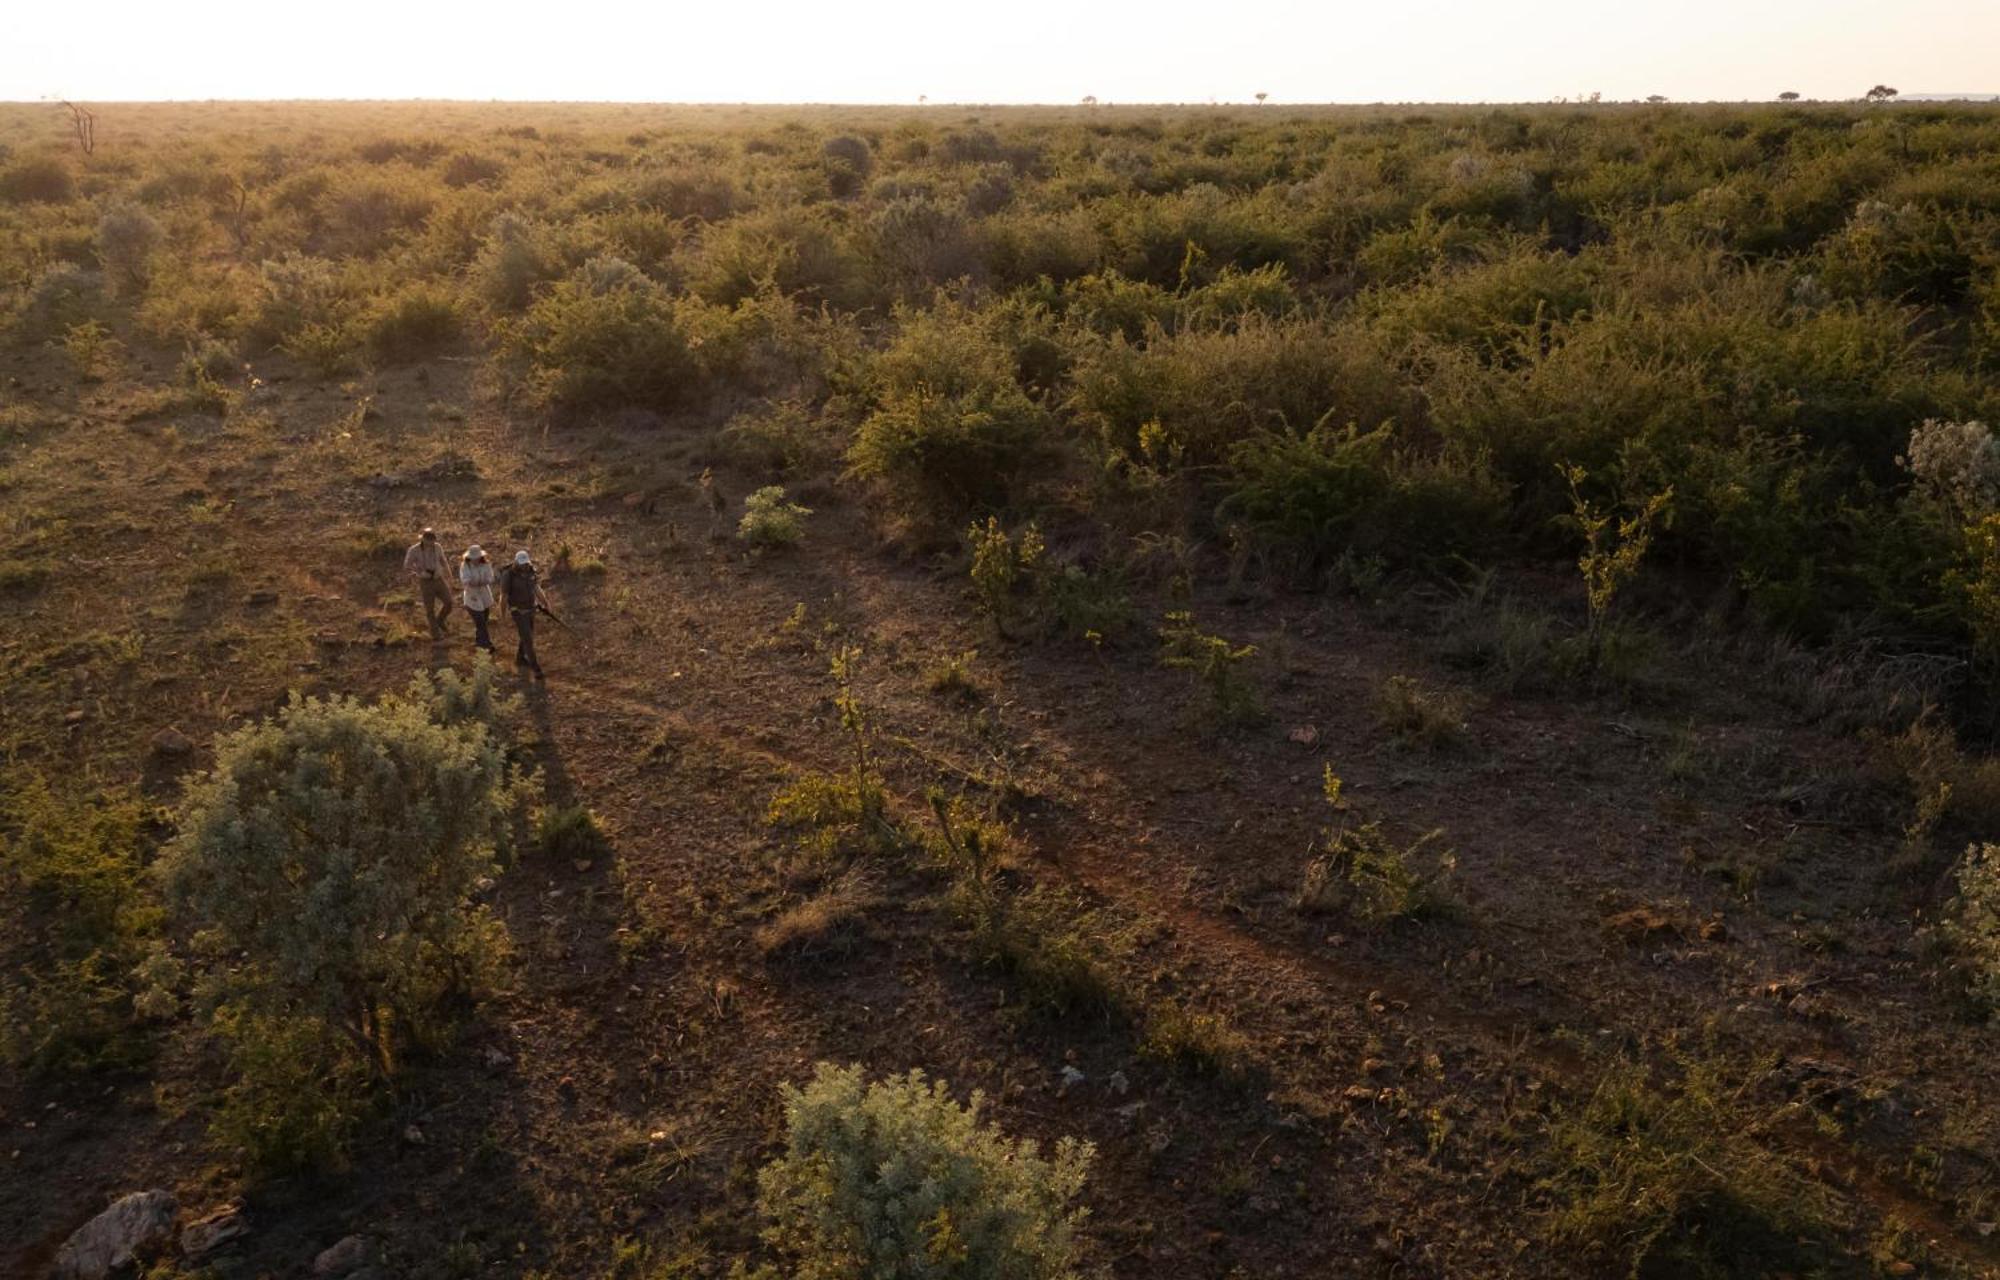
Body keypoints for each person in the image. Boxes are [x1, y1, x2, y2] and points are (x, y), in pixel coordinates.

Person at [497, 549, 549, 679]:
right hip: (518, 611)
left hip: (531, 609)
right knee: (528, 640)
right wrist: (502, 614)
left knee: (527, 635)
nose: (524, 566)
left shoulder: (531, 571)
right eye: (522, 564)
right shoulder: (508, 575)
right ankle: (536, 669)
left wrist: (545, 603)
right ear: (516, 562)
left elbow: (536, 588)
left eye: (526, 563)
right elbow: (503, 596)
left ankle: (520, 658)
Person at [404, 527, 455, 641]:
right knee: (429, 609)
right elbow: (407, 565)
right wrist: (419, 573)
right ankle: (436, 634)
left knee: (449, 602)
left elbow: (443, 561)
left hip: (438, 578)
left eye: (433, 541)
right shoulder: (414, 550)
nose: (431, 543)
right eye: (429, 541)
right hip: (425, 581)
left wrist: (449, 575)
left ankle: (440, 621)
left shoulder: (437, 547)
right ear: (423, 540)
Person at [459, 544, 496, 653]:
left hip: (484, 594)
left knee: (484, 619)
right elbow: (465, 580)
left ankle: (479, 642)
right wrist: (473, 582)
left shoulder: (486, 564)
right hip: (472, 595)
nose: (475, 560)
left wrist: (485, 581)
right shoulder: (465, 565)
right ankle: (487, 644)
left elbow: (490, 577)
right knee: (480, 622)